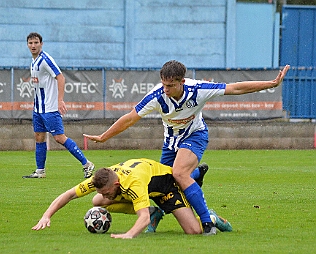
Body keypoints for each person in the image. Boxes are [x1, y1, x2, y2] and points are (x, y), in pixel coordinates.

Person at [83, 60, 290, 234]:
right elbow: (129, 118)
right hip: (170, 143)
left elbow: (235, 88)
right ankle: (178, 199)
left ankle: (207, 223)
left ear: (182, 82)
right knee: (160, 187)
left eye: (170, 85)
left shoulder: (197, 90)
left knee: (179, 173)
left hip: (195, 135)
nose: (165, 89)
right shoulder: (157, 96)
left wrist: (271, 83)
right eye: (163, 84)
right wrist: (103, 136)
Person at [31, 158, 232, 238]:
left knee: (193, 231)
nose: (104, 195)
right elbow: (68, 195)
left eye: (107, 191)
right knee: (96, 202)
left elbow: (141, 218)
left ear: (116, 184)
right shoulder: (101, 179)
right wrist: (46, 215)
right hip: (145, 185)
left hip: (165, 187)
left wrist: (129, 234)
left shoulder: (133, 184)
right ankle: (156, 212)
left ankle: (212, 217)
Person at [23, 32, 94, 179]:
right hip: (38, 108)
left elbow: (60, 77)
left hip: (49, 108)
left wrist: (60, 100)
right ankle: (40, 171)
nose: (33, 45)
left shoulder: (45, 59)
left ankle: (87, 164)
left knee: (59, 138)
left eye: (36, 43)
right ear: (27, 45)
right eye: (31, 43)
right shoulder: (33, 61)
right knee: (39, 137)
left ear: (41, 44)